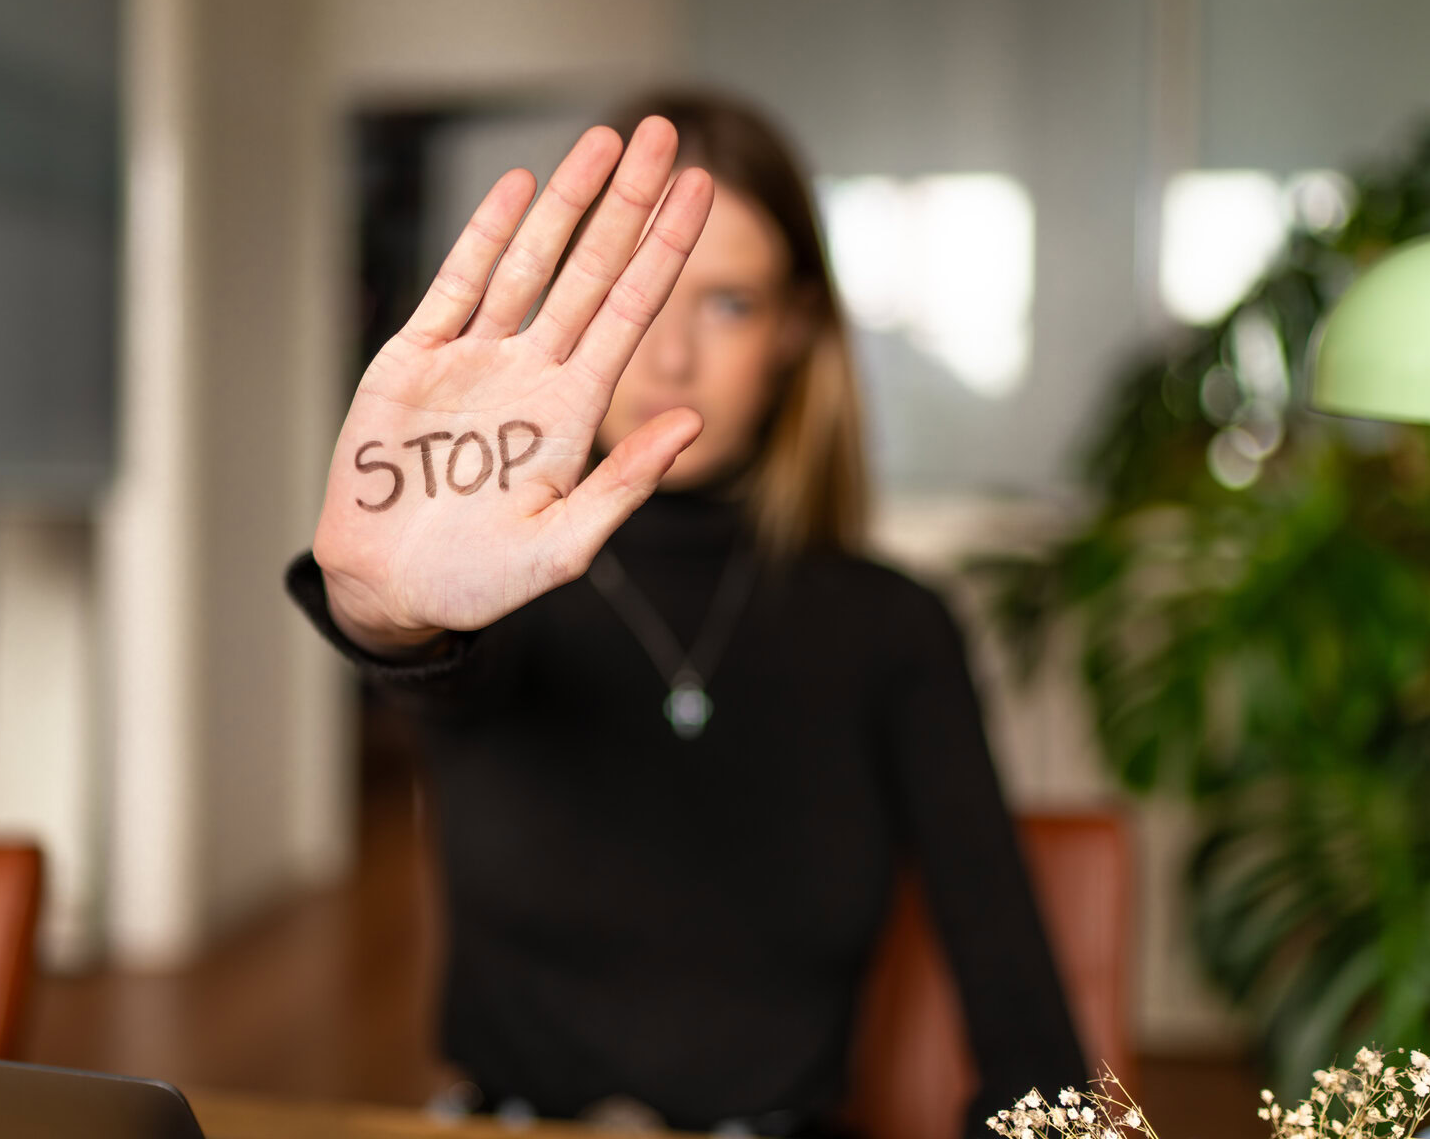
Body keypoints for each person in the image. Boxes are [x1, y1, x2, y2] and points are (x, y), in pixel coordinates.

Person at [287, 91, 1087, 1137]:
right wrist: (381, 609)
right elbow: (429, 651)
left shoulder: (896, 630)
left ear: (796, 329)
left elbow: (1026, 1028)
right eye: (641, 296)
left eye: (729, 304)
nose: (668, 357)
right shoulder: (503, 594)